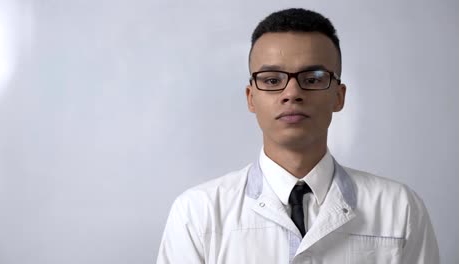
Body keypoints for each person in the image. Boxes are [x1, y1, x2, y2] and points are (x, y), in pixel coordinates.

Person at [156, 8, 439, 264]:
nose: (292, 93)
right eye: (271, 80)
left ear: (338, 97)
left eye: (313, 79)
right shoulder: (198, 213)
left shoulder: (399, 208)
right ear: (251, 98)